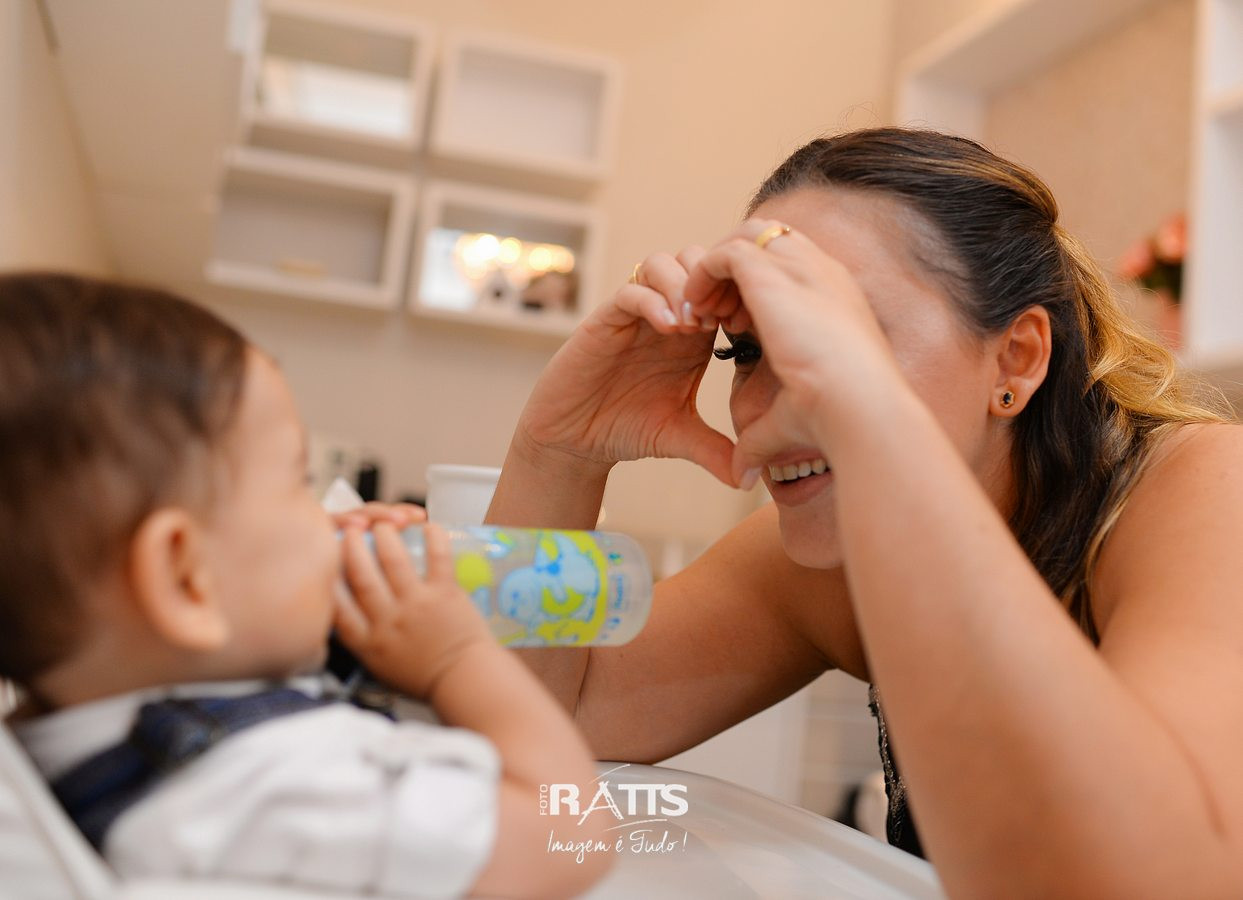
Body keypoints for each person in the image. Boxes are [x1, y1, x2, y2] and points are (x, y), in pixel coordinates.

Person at [489, 127, 1243, 897]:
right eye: (746, 352)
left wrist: (871, 422)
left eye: (831, 332)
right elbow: (544, 722)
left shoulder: (1207, 489)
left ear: (1015, 359)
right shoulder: (833, 556)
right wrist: (557, 452)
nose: (768, 400)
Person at [0, 274, 611, 899]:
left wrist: (314, 593)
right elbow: (569, 837)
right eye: (300, 484)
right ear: (185, 577)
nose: (327, 520)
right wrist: (457, 658)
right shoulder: (266, 783)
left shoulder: (79, 724)